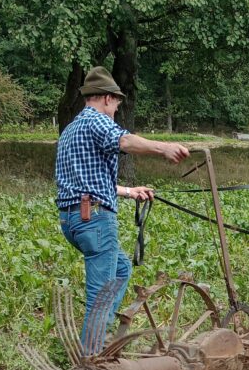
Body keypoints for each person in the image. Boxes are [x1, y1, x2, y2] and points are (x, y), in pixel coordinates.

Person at [55, 66, 189, 351]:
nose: (116, 109)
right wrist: (163, 148)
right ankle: (92, 359)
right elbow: (125, 141)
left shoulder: (71, 129)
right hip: (95, 220)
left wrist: (128, 191)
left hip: (72, 220)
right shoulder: (96, 121)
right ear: (106, 98)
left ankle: (99, 332)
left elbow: (85, 180)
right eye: (116, 103)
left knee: (122, 268)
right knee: (101, 294)